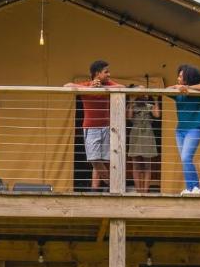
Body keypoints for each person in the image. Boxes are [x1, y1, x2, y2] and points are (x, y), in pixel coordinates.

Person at [64, 60, 121, 191]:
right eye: (106, 72)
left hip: (107, 127)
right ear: (97, 73)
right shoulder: (86, 85)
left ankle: (95, 189)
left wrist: (103, 88)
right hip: (91, 127)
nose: (109, 74)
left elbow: (122, 87)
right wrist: (89, 88)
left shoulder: (107, 84)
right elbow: (67, 86)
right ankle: (112, 184)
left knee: (103, 160)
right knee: (94, 159)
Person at [167, 64, 200, 195]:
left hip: (195, 127)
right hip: (180, 130)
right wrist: (176, 87)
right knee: (184, 159)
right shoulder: (178, 92)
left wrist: (188, 88)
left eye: (180, 76)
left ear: (188, 78)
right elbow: (165, 90)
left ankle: (196, 188)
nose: (178, 78)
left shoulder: (197, 92)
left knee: (186, 157)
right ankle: (190, 188)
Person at [127, 90, 160, 193]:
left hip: (147, 134)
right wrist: (132, 102)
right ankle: (138, 190)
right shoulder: (131, 105)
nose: (144, 95)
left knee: (147, 165)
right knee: (136, 165)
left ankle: (145, 191)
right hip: (135, 134)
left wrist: (155, 100)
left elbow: (157, 115)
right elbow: (129, 116)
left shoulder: (149, 106)